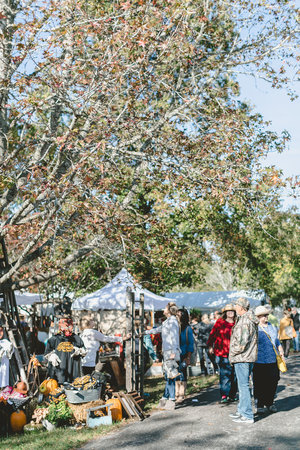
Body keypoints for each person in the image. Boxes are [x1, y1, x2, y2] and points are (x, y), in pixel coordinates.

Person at [144, 302, 180, 410]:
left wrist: (173, 352)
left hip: (171, 352)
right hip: (167, 351)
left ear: (169, 311)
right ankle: (165, 397)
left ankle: (172, 399)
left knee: (171, 376)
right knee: (167, 376)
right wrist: (145, 332)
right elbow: (157, 330)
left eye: (165, 308)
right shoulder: (167, 322)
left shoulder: (173, 321)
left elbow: (174, 337)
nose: (163, 310)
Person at [229, 297, 258, 424]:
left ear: (241, 307)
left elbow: (241, 343)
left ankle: (247, 414)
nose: (235, 307)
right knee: (242, 386)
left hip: (242, 358)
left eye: (236, 305)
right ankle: (242, 411)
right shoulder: (246, 319)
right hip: (247, 357)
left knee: (243, 386)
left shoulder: (245, 321)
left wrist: (231, 353)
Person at [253, 305, 284, 414]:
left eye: (267, 315)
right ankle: (260, 405)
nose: (266, 317)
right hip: (259, 361)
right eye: (264, 315)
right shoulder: (255, 328)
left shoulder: (272, 326)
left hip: (273, 360)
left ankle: (270, 403)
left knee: (273, 381)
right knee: (260, 383)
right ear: (258, 317)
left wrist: (280, 349)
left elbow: (277, 340)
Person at [207, 304, 237, 404]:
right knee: (225, 374)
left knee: (234, 375)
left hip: (235, 353)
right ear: (225, 313)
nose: (230, 313)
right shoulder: (220, 322)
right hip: (222, 352)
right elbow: (213, 334)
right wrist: (210, 346)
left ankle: (232, 395)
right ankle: (224, 395)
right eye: (228, 311)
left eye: (232, 311)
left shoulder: (237, 322)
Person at [44, 317, 86, 384]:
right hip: (58, 372)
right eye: (65, 327)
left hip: (72, 373)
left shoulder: (76, 339)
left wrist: (80, 351)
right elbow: (46, 353)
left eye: (68, 326)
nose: (67, 329)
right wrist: (51, 356)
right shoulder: (54, 339)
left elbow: (84, 351)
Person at [176, 308, 194, 402]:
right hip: (175, 354)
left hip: (184, 354)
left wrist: (188, 357)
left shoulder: (187, 328)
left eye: (179, 315)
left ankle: (181, 394)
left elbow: (190, 343)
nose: (177, 316)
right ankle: (176, 393)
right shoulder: (175, 327)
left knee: (182, 373)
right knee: (176, 374)